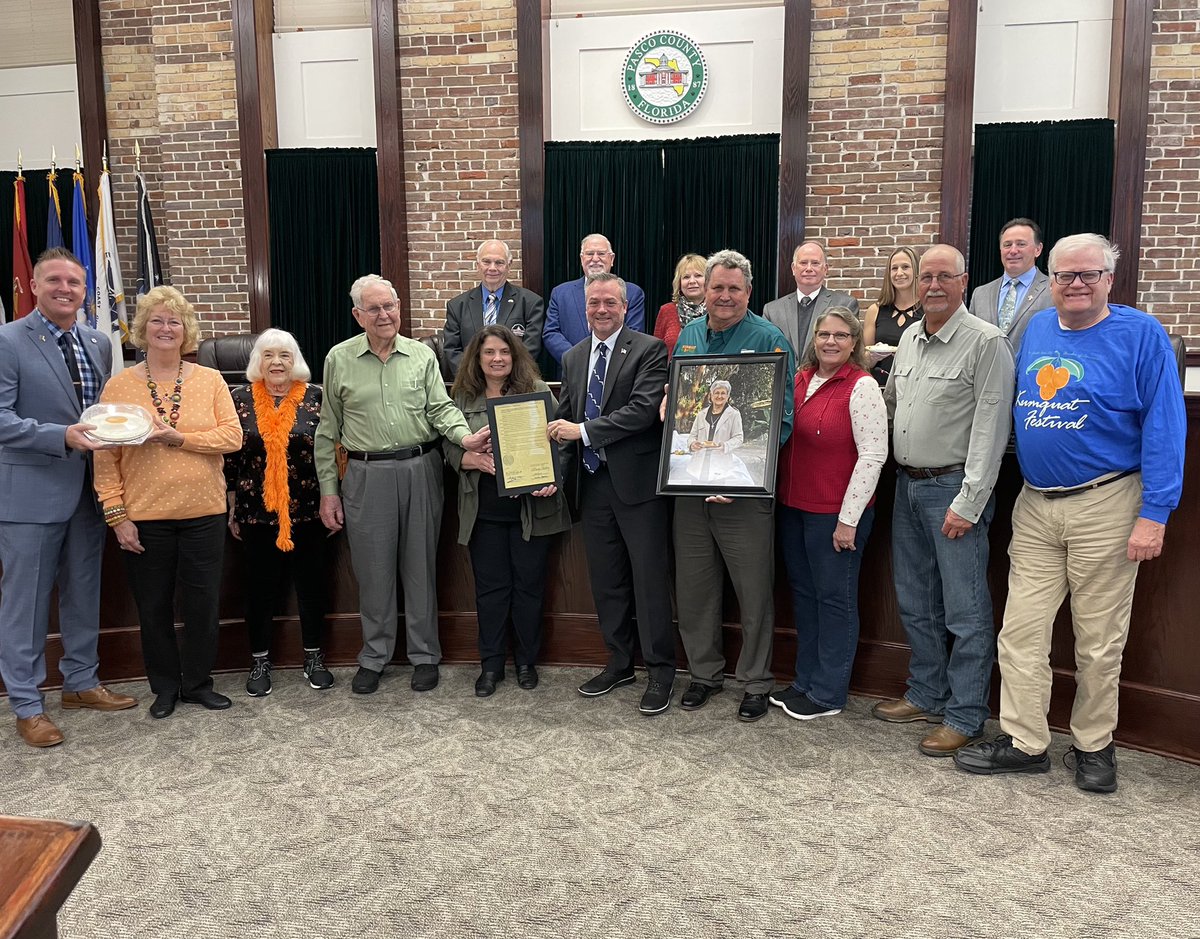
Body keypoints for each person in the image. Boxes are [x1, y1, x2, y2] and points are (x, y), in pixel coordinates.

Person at [955, 234, 1186, 793]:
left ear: (1110, 278)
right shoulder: (1037, 328)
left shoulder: (1141, 335)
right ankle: (1026, 741)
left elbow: (1165, 426)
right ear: (1049, 280)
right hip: (1035, 503)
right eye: (1065, 275)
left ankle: (1093, 745)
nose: (1076, 284)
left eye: (1088, 274)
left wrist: (1155, 512)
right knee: (1021, 633)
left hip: (1108, 502)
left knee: (1099, 639)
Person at [315, 274, 491, 696]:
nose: (385, 315)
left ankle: (424, 656)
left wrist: (464, 436)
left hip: (420, 469)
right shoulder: (338, 359)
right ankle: (373, 657)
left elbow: (440, 408)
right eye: (374, 308)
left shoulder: (421, 356)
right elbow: (327, 431)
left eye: (390, 306)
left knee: (420, 569)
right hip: (364, 475)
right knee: (372, 573)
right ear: (358, 315)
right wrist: (328, 491)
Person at [873, 244, 1014, 756]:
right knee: (915, 601)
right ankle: (927, 693)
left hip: (953, 490)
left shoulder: (986, 342)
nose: (932, 285)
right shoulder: (910, 337)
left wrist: (970, 501)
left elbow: (991, 428)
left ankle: (966, 714)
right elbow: (890, 407)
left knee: (965, 609)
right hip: (906, 485)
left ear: (963, 281)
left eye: (943, 277)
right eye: (925, 277)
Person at [0, 247, 136, 748]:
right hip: (31, 493)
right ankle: (27, 703)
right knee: (26, 602)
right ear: (34, 286)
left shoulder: (97, 341)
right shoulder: (7, 341)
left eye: (74, 283)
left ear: (85, 291)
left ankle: (80, 681)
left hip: (88, 489)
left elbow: (100, 412)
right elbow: (1, 419)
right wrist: (62, 436)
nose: (65, 289)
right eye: (54, 281)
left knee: (84, 590)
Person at [94, 285, 242, 720]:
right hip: (145, 518)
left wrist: (179, 438)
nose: (165, 328)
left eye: (174, 321)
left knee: (202, 605)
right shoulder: (119, 385)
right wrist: (117, 515)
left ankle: (197, 683)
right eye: (156, 320)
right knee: (153, 606)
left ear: (186, 331)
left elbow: (231, 438)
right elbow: (106, 457)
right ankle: (164, 687)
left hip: (204, 515)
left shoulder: (211, 380)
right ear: (142, 329)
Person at [672, 249, 795, 723]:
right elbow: (680, 401)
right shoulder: (688, 336)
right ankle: (704, 674)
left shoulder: (768, 338)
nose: (723, 296)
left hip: (743, 491)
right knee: (695, 588)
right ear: (704, 289)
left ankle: (756, 681)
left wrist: (742, 481)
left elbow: (781, 420)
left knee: (753, 590)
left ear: (748, 292)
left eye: (733, 289)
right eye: (716, 287)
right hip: (690, 488)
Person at [546, 272, 675, 715]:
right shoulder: (575, 357)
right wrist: (555, 477)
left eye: (609, 303)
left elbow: (642, 412)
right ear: (584, 309)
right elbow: (562, 421)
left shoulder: (649, 349)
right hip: (592, 484)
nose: (601, 310)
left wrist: (583, 431)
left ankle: (660, 671)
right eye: (593, 303)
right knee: (607, 581)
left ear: (624, 306)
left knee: (649, 580)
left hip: (638, 488)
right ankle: (620, 661)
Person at [772, 307, 887, 720]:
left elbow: (873, 456)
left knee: (834, 600)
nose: (831, 342)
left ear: (854, 343)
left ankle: (828, 692)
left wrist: (848, 519)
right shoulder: (799, 380)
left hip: (835, 514)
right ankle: (805, 680)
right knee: (804, 598)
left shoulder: (862, 386)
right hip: (793, 509)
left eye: (841, 335)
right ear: (814, 339)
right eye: (824, 334)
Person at [446, 325, 571, 697]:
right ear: (477, 358)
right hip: (483, 511)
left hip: (531, 510)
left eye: (504, 352)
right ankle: (491, 664)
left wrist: (553, 477)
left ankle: (526, 662)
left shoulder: (536, 392)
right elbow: (445, 444)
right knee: (490, 590)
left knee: (530, 588)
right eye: (489, 353)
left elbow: (560, 443)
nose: (497, 358)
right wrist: (468, 459)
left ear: (514, 357)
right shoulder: (462, 396)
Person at [225, 328, 334, 697]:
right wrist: (231, 506)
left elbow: (335, 452)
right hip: (256, 512)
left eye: (284, 355)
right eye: (269, 355)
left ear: (295, 361)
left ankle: (314, 657)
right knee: (259, 590)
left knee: (312, 587)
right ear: (258, 360)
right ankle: (259, 659)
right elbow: (230, 459)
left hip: (309, 511)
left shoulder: (317, 398)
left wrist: (334, 500)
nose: (276, 362)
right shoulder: (237, 398)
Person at [443, 239, 544, 376]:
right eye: (486, 262)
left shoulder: (531, 303)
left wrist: (503, 377)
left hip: (514, 387)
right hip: (472, 387)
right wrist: (476, 378)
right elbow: (452, 350)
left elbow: (530, 349)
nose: (492, 268)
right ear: (478, 265)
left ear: (509, 265)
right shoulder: (457, 306)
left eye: (499, 262)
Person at [543, 234, 646, 363]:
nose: (595, 259)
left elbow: (634, 333)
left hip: (618, 371)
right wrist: (576, 359)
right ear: (581, 259)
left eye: (601, 254)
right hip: (573, 374)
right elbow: (551, 333)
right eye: (590, 254)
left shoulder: (632, 293)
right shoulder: (561, 293)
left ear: (612, 259)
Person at [763, 241, 859, 361]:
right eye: (803, 263)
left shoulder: (845, 305)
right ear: (793, 268)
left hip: (826, 378)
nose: (808, 268)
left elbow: (851, 352)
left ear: (825, 269)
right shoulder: (772, 311)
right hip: (785, 379)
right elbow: (765, 352)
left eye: (815, 263)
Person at [968, 218, 1051, 354]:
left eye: (1021, 244)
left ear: (1038, 249)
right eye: (1007, 245)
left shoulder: (1052, 290)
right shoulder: (980, 294)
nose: (1013, 250)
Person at [862, 246, 922, 384]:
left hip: (914, 386)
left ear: (917, 271)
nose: (899, 273)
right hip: (880, 386)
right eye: (894, 268)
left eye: (905, 267)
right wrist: (873, 357)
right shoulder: (875, 310)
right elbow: (863, 363)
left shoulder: (928, 312)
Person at [684, 379, 744, 483]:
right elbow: (692, 436)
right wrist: (692, 444)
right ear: (711, 396)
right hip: (697, 467)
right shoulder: (701, 414)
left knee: (715, 497)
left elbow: (739, 438)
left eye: (723, 393)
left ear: (728, 396)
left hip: (720, 467)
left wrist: (725, 445)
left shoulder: (734, 414)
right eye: (716, 393)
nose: (719, 396)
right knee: (695, 496)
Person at [654, 253, 707, 359]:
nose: (692, 281)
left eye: (698, 276)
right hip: (671, 374)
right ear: (679, 282)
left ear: (709, 280)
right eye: (686, 277)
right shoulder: (666, 311)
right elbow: (655, 353)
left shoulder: (717, 312)